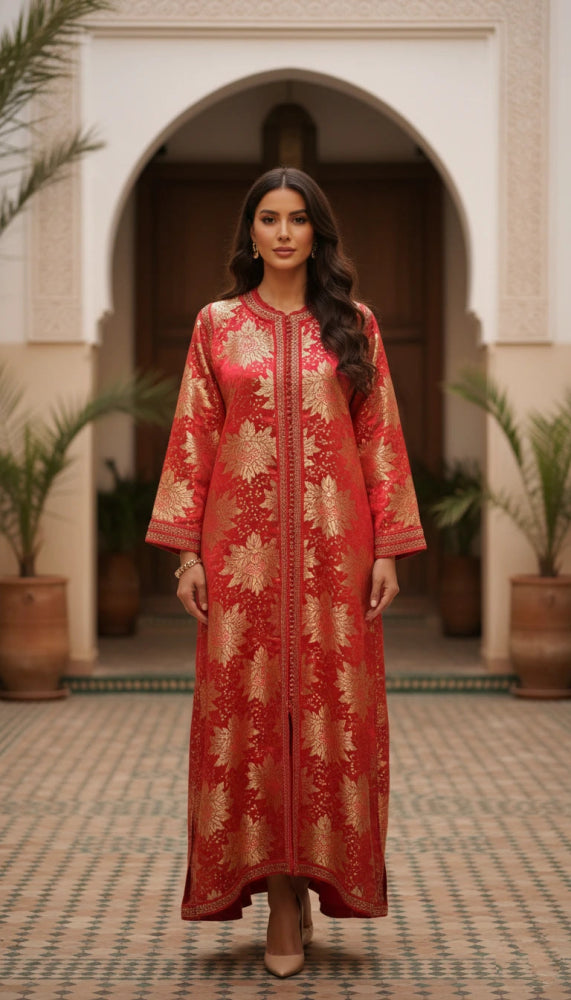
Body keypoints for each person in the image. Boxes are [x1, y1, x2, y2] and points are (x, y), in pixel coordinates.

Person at [146, 167, 426, 978]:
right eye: (267, 219)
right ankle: (274, 895)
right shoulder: (215, 326)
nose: (281, 233)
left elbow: (381, 441)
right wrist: (187, 557)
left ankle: (312, 882)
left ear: (316, 233)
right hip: (242, 567)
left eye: (297, 220)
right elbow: (191, 440)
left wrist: (386, 550)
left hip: (335, 562)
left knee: (329, 717)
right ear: (250, 232)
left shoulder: (354, 325)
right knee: (250, 714)